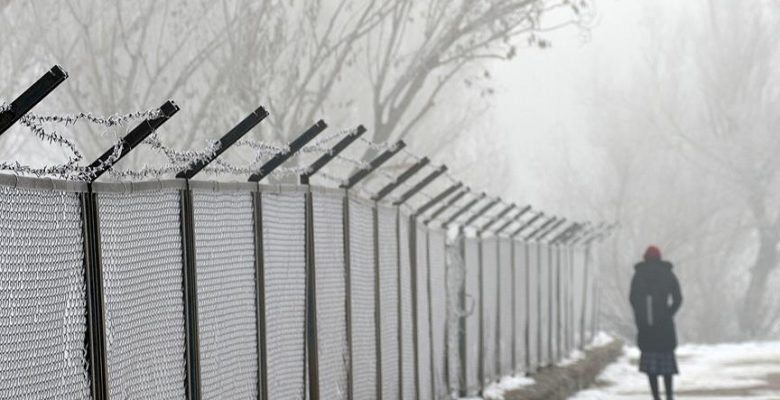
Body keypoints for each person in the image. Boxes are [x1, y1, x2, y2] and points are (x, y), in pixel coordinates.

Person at [629, 245, 682, 400]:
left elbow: (632, 298)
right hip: (664, 327)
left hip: (647, 327)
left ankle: (656, 396)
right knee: (667, 366)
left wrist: (641, 315)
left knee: (651, 367)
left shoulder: (639, 274)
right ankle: (669, 395)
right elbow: (678, 298)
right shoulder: (667, 273)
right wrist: (668, 313)